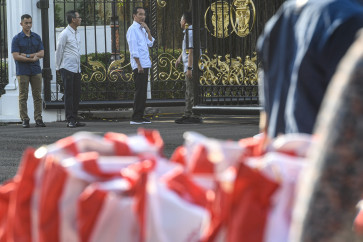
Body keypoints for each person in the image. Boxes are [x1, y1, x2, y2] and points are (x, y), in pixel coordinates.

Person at [257, 0, 363, 138]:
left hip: (282, 153)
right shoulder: (348, 19)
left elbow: (266, 121)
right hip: (325, 155)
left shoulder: (281, 17)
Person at [11, 14, 46, 128]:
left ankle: (38, 119)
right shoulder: (16, 39)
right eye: (26, 23)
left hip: (36, 70)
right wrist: (32, 58)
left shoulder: (36, 37)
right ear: (21, 24)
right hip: (23, 71)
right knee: (23, 96)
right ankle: (25, 119)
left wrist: (26, 55)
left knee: (38, 95)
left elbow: (42, 53)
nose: (28, 25)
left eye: (30, 22)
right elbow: (16, 56)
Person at [56, 10, 86, 128]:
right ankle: (70, 119)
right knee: (69, 94)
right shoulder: (64, 34)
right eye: (79, 17)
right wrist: (58, 66)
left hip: (76, 68)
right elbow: (59, 50)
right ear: (73, 19)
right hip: (67, 67)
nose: (80, 19)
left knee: (76, 94)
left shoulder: (77, 32)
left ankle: (75, 117)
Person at [126, 7, 154, 125]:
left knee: (143, 92)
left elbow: (151, 43)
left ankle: (140, 116)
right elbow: (133, 49)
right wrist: (138, 65)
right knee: (139, 91)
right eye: (140, 14)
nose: (143, 16)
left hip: (145, 63)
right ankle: (135, 117)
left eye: (144, 14)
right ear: (134, 15)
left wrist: (148, 30)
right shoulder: (132, 29)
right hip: (139, 65)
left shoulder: (141, 29)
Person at [174, 11, 202, 124]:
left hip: (192, 66)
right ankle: (190, 114)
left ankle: (191, 114)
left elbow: (191, 51)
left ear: (184, 21)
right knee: (190, 91)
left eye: (181, 19)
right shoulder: (189, 31)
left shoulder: (190, 32)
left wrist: (189, 68)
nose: (180, 21)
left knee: (191, 91)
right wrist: (180, 58)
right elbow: (187, 49)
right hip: (191, 65)